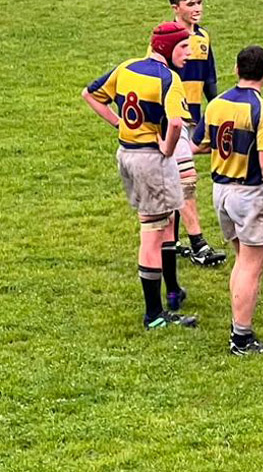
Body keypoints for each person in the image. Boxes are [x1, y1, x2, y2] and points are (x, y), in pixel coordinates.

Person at [82, 22, 199, 329]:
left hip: (127, 155)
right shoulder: (168, 80)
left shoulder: (127, 68)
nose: (189, 52)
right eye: (184, 46)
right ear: (167, 48)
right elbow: (175, 125)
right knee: (152, 233)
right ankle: (154, 315)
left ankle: (171, 292)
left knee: (166, 221)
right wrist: (167, 147)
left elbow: (90, 94)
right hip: (151, 161)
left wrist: (119, 124)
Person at [192, 45, 263, 354]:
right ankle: (241, 337)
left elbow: (201, 143)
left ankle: (238, 326)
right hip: (250, 195)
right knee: (251, 267)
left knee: (242, 262)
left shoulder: (217, 104)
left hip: (221, 191)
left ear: (237, 69)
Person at [165, 0, 227, 268]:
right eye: (190, 4)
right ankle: (198, 244)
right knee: (185, 179)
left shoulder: (203, 38)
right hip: (172, 118)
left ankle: (172, 239)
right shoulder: (166, 38)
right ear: (175, 8)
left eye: (199, 2)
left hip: (193, 116)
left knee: (177, 176)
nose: (197, 8)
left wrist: (215, 116)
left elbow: (209, 81)